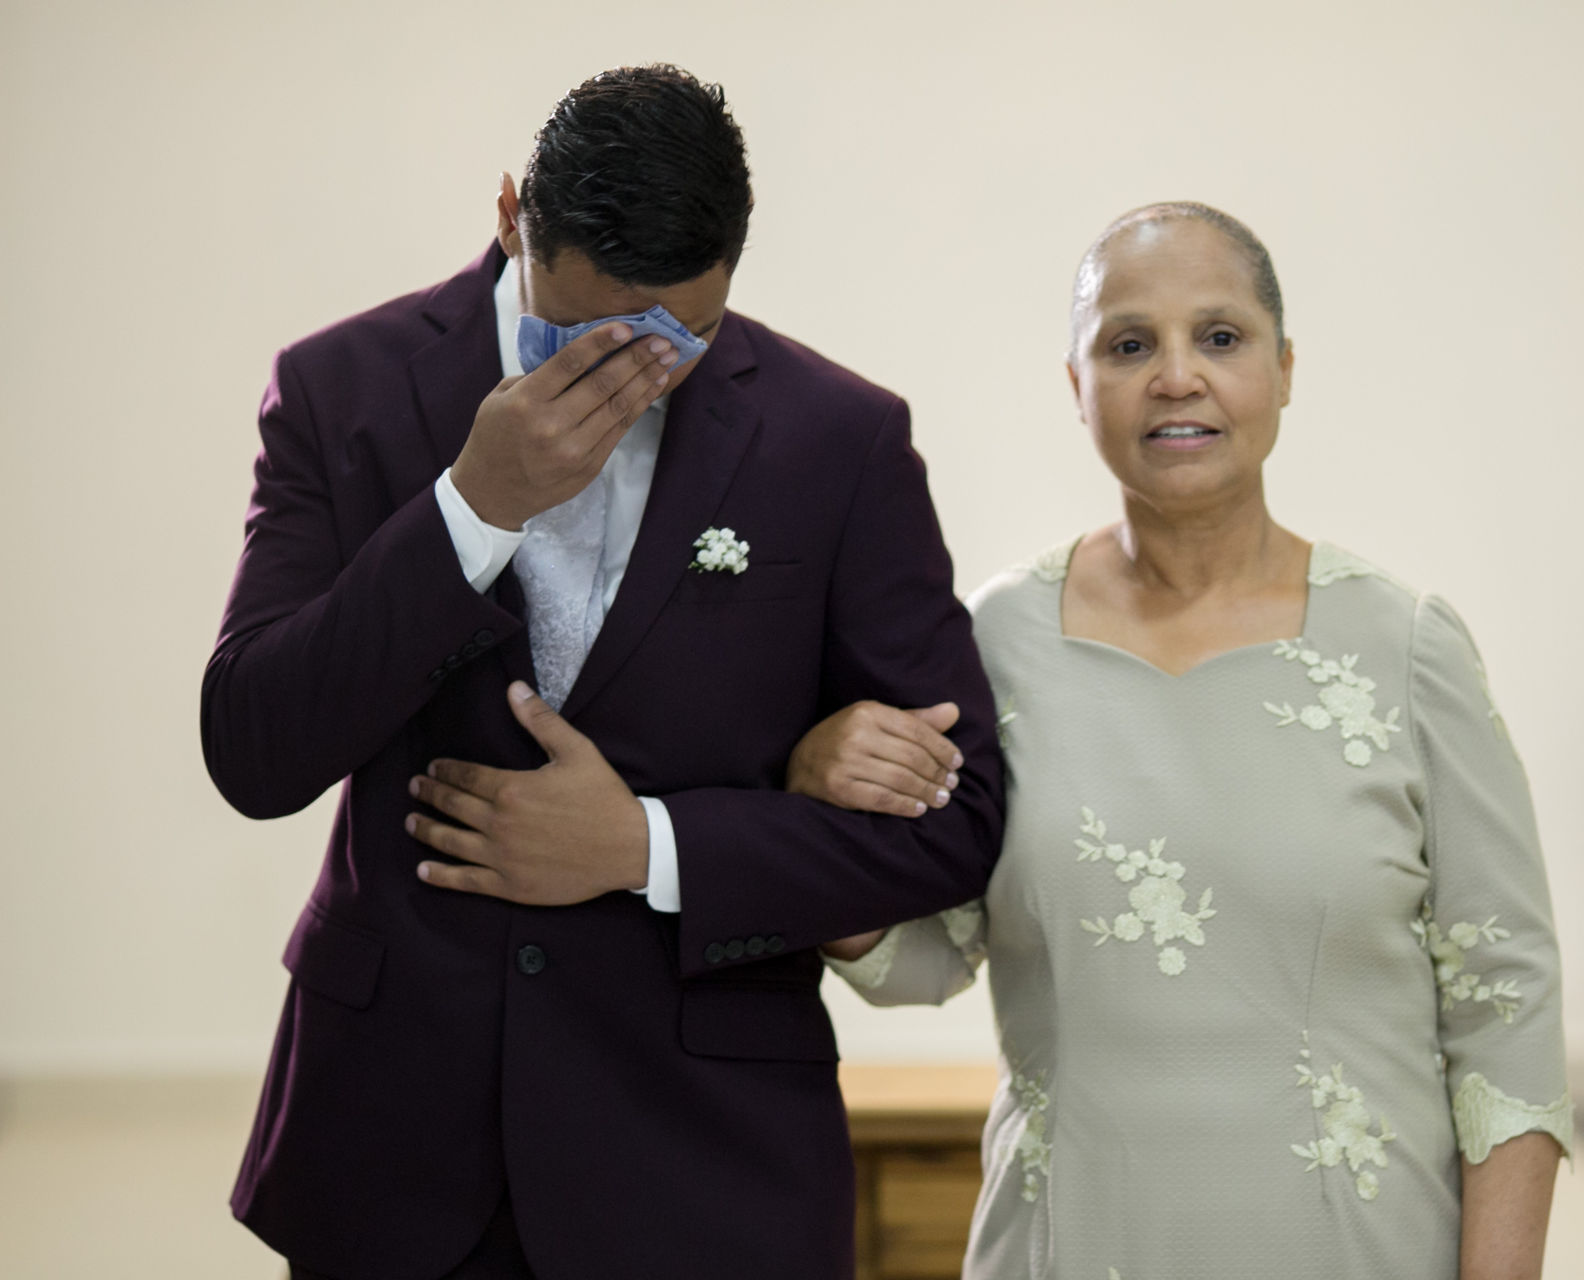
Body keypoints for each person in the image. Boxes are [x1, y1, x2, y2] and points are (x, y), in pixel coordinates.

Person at [201, 66, 1003, 1280]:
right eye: (580, 332)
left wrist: (651, 845)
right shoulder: (341, 389)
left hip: (706, 1163)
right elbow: (254, 749)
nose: (626, 370)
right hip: (395, 1159)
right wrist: (472, 510)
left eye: (677, 338)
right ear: (516, 215)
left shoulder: (839, 437)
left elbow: (959, 827)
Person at [791, 204, 1570, 1279]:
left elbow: (1508, 1009)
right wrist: (818, 806)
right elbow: (920, 957)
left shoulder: (1406, 647)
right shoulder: (991, 643)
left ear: (1285, 368)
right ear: (1077, 385)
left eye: (1219, 336)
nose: (1175, 376)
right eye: (1127, 344)